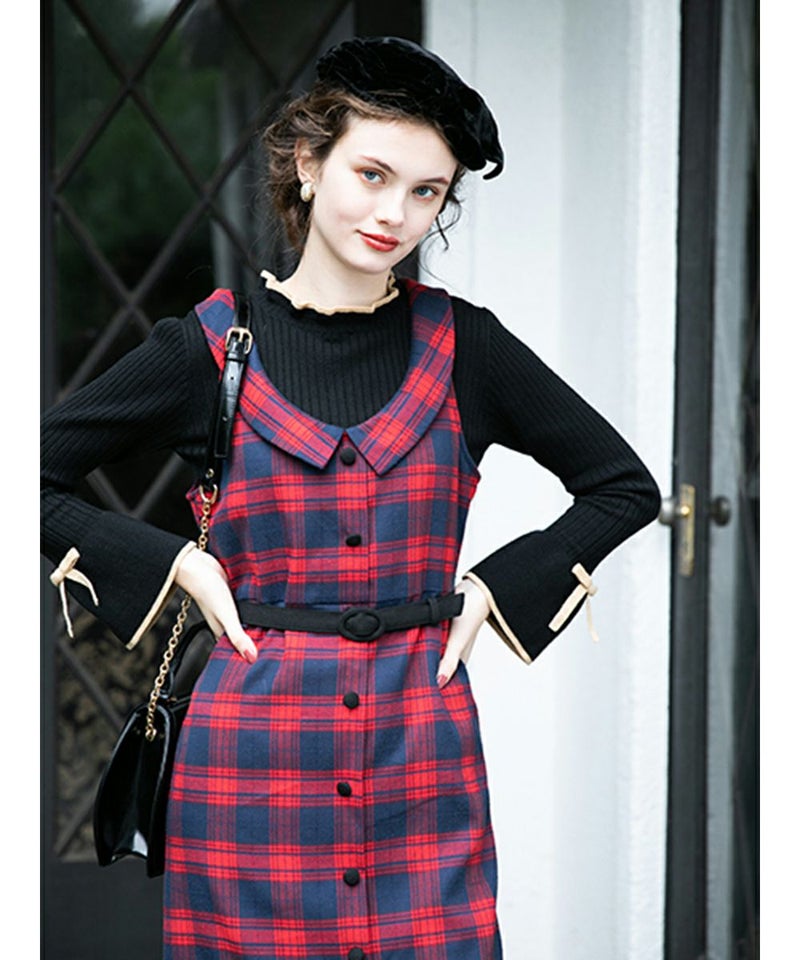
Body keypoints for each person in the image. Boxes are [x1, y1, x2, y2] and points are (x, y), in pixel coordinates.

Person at [41, 35, 661, 960]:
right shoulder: (207, 349)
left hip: (424, 755)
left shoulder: (469, 348)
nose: (394, 214)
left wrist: (496, 590)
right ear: (307, 161)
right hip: (248, 762)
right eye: (372, 175)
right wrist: (177, 565)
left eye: (427, 192)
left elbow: (623, 487)